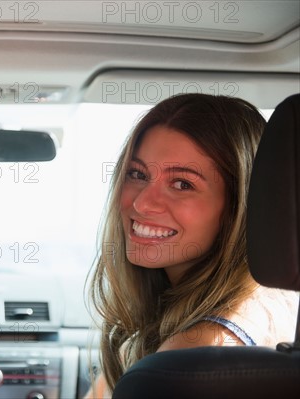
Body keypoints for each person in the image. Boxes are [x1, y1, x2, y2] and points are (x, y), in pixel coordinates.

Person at [85, 93, 299, 398]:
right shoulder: (274, 305)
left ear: (239, 205)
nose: (142, 203)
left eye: (183, 184)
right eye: (137, 174)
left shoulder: (187, 359)